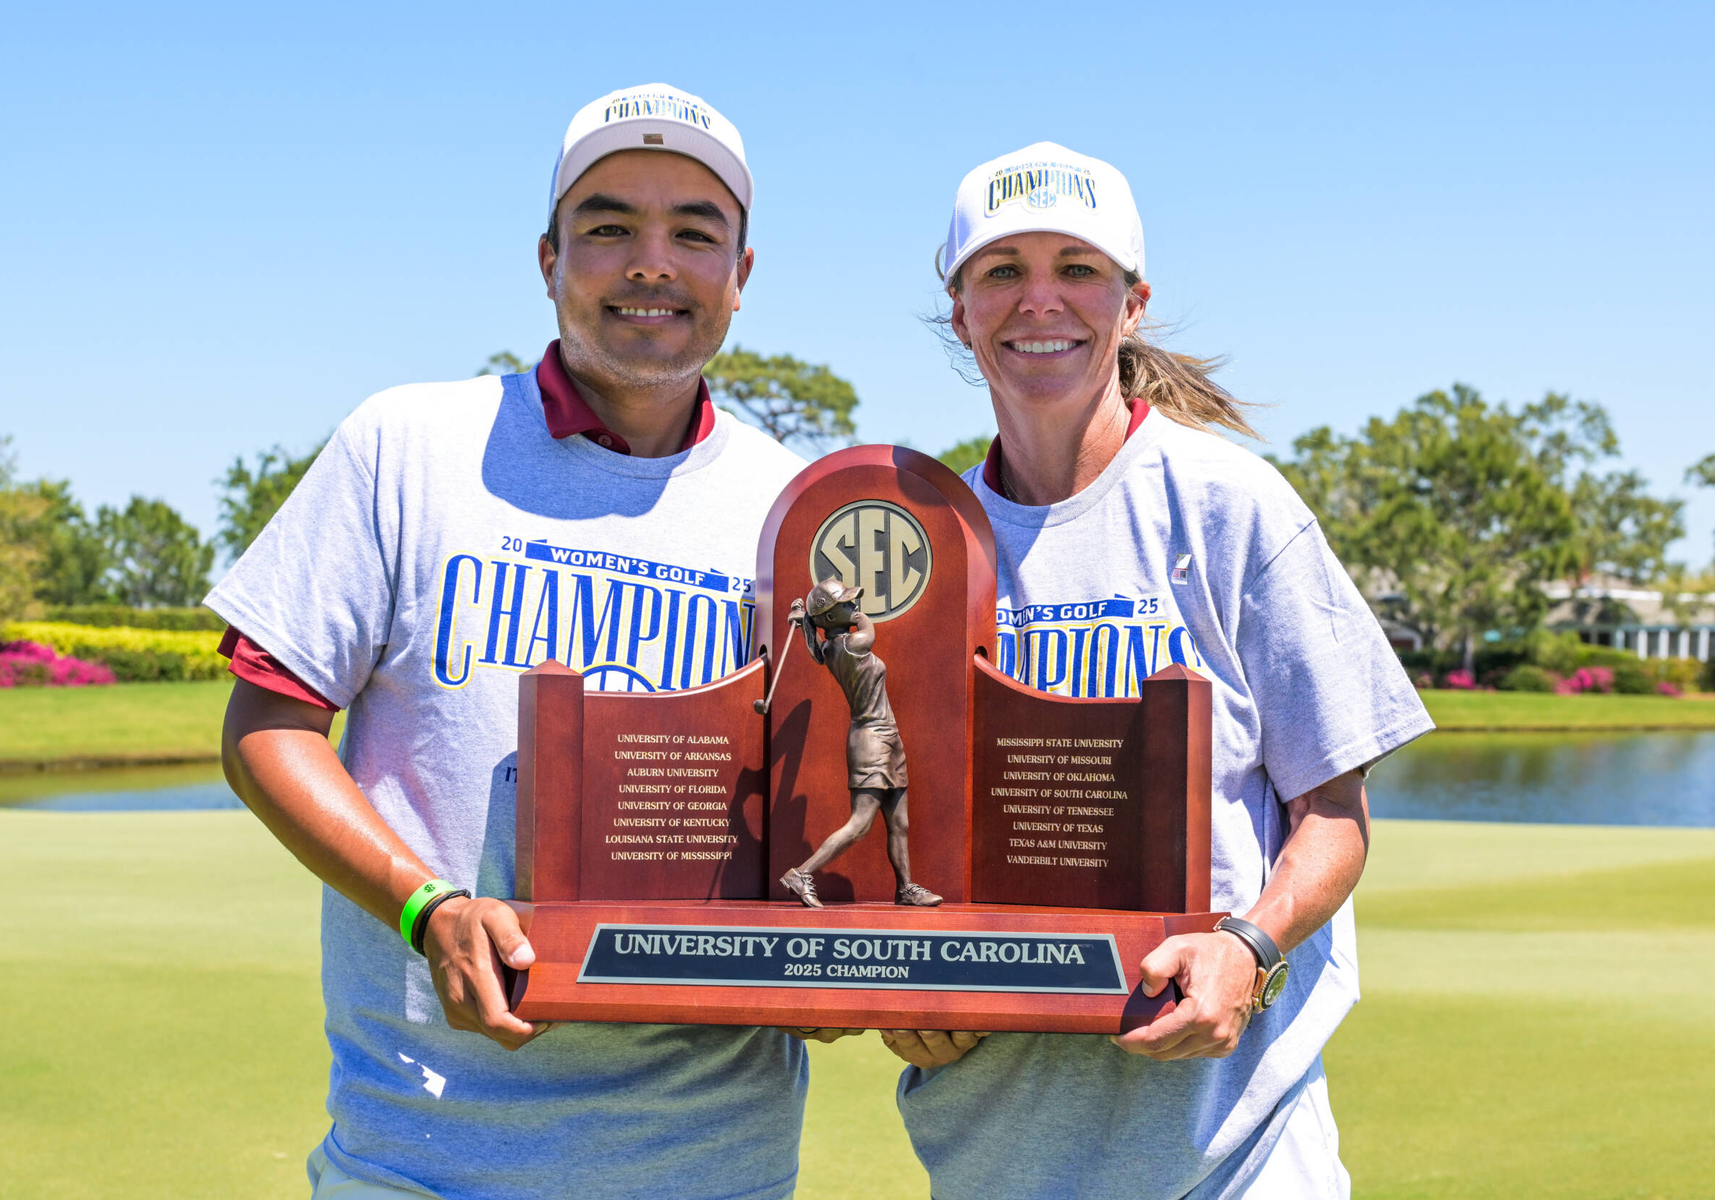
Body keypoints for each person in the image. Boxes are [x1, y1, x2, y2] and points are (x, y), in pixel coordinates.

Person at [211, 84, 816, 1200]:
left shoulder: (795, 508)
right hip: (423, 1159)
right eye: (607, 227)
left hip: (714, 1164)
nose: (651, 261)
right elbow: (266, 725)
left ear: (741, 273)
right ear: (548, 259)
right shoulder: (408, 445)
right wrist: (422, 903)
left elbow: (817, 811)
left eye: (694, 230)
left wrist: (830, 967)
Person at [880, 143, 1434, 1198]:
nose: (1040, 299)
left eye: (1076, 267)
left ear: (1131, 302)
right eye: (1002, 271)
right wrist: (900, 990)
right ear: (960, 314)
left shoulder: (1233, 506)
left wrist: (1249, 945)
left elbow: (1336, 812)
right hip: (991, 1152)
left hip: (1234, 1158)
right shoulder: (922, 536)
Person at [778, 579, 943, 908]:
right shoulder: (851, 645)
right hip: (871, 739)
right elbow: (868, 628)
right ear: (829, 619)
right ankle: (801, 873)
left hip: (887, 737)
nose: (854, 606)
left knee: (899, 822)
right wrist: (818, 619)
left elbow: (815, 649)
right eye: (847, 603)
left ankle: (906, 888)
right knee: (861, 822)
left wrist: (806, 624)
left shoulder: (828, 648)